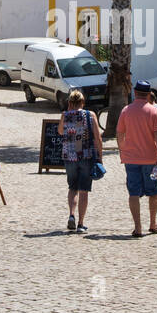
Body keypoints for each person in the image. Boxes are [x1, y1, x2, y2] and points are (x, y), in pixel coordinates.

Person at [116, 80, 157, 238]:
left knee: (133, 192)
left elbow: (120, 134)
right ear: (148, 93)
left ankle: (137, 227)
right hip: (151, 160)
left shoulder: (126, 110)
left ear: (135, 92)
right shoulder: (153, 111)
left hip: (131, 160)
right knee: (154, 191)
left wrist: (122, 150)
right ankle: (152, 223)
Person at [57, 89, 103, 233]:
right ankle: (81, 223)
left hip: (69, 157)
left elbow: (59, 131)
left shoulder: (64, 115)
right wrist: (100, 155)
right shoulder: (90, 115)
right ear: (83, 102)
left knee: (72, 188)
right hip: (86, 156)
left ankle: (71, 214)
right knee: (84, 190)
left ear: (70, 103)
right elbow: (97, 137)